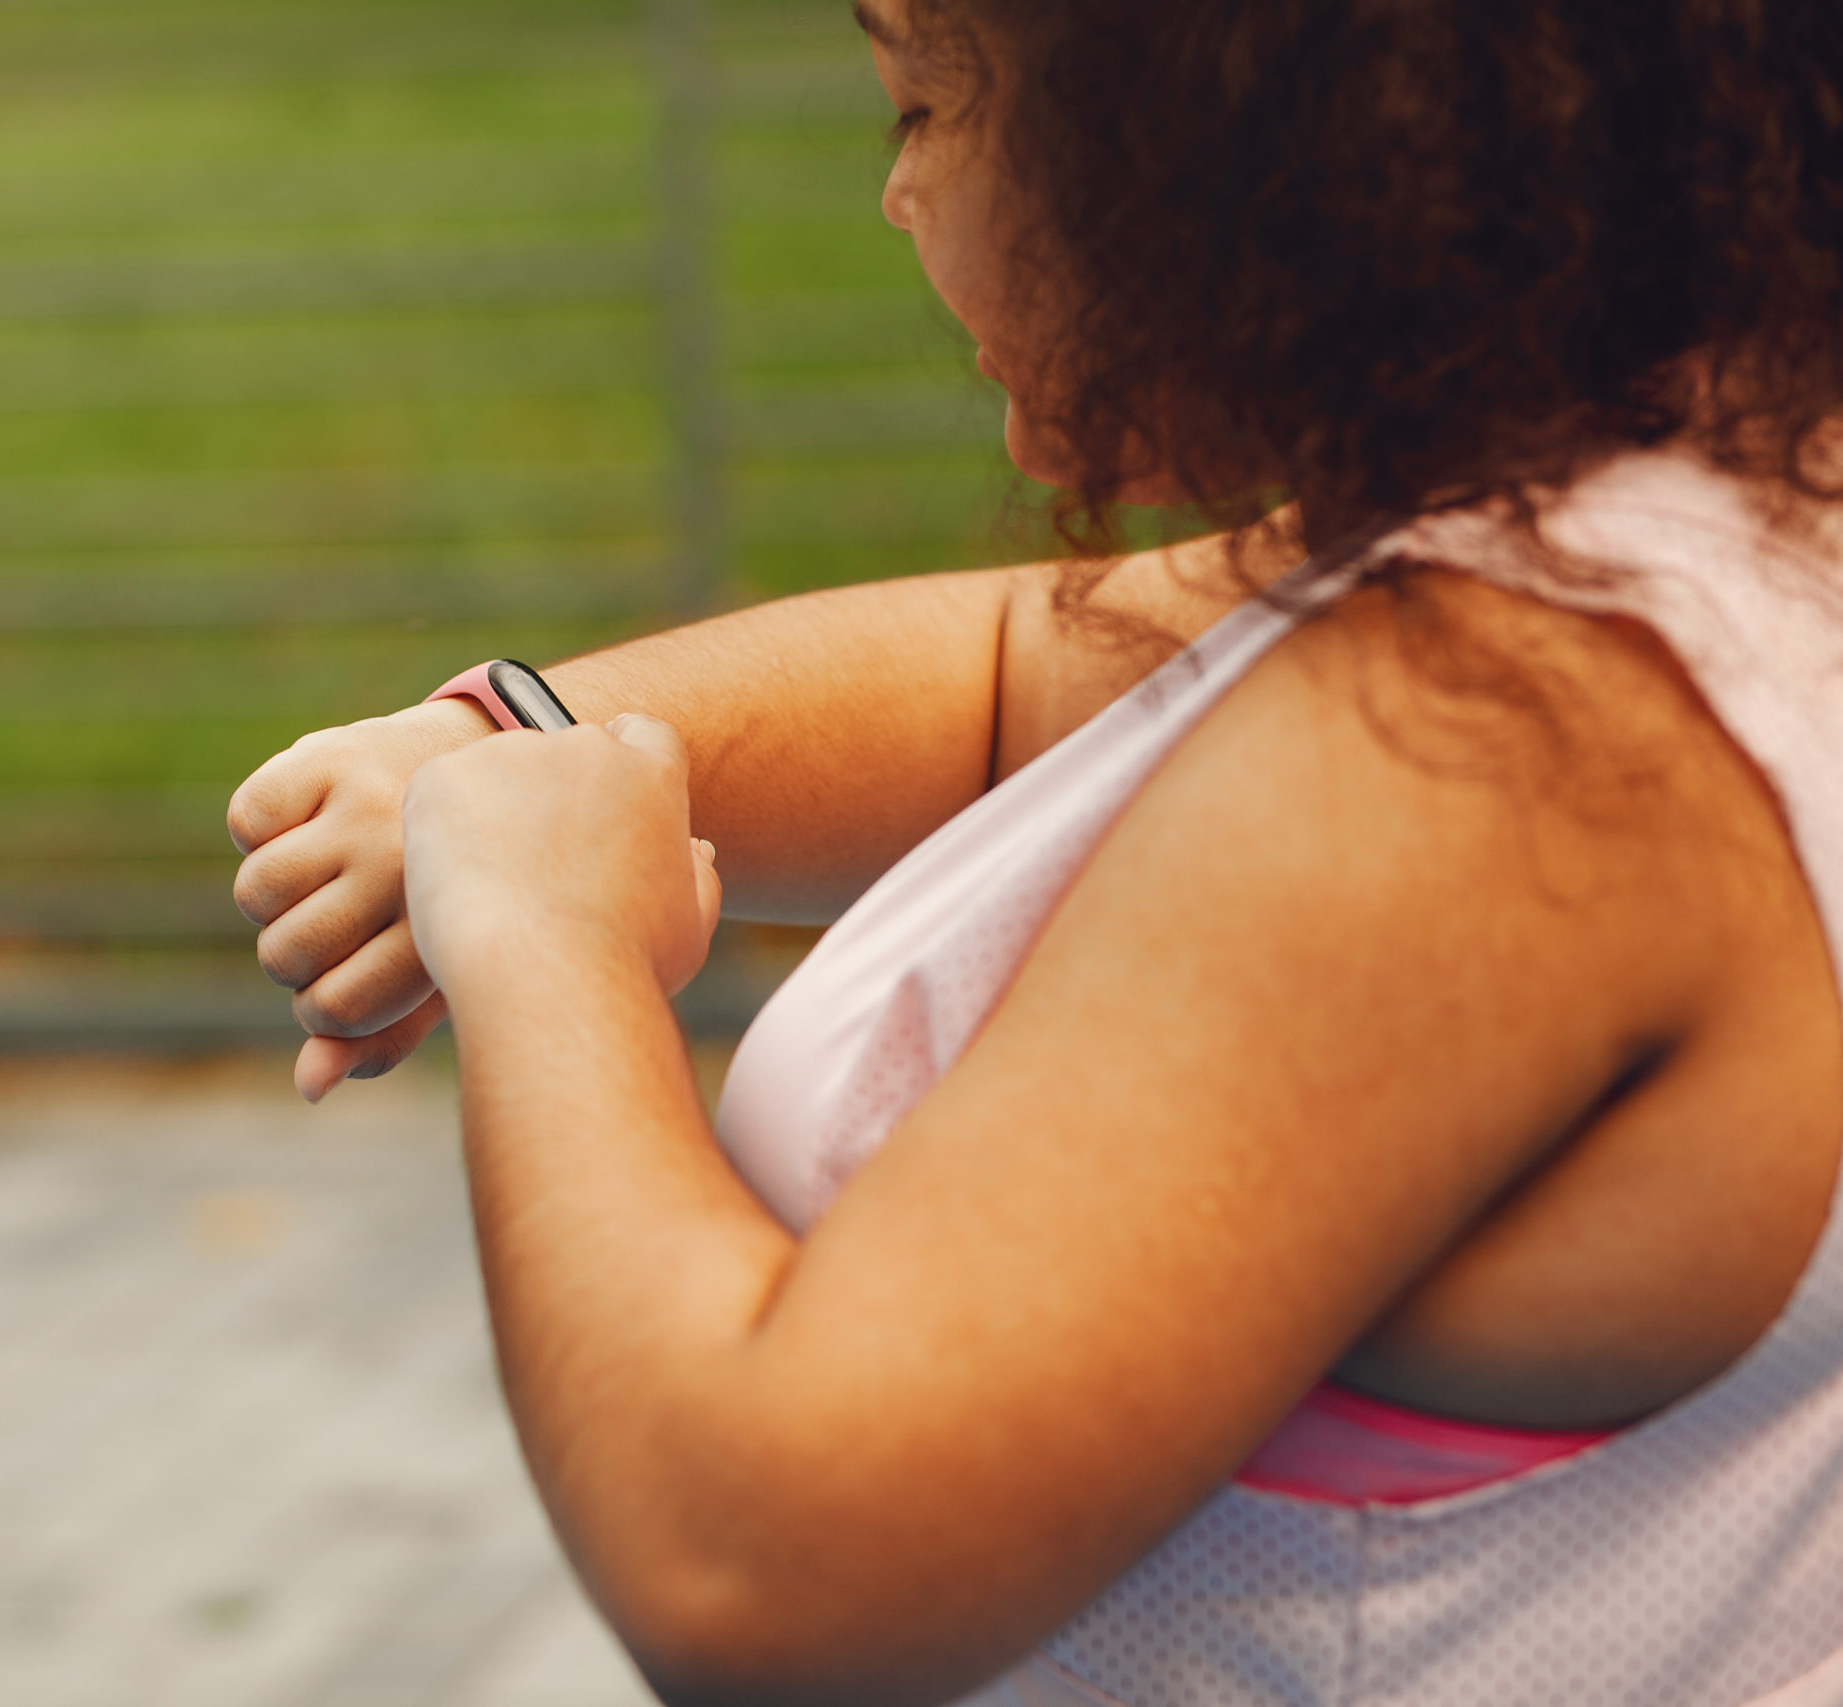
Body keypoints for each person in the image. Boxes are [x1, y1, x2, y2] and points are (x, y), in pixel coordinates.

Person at [227, 0, 1843, 1700]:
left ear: (1222, 128)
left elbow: (765, 1557)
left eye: (930, 105)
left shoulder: (1484, 761)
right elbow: (1027, 670)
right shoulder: (1710, 517)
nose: (898, 192)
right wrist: (514, 740)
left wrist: (549, 939)